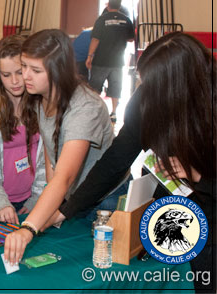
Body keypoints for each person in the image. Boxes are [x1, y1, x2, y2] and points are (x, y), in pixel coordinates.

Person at [27, 32, 215, 292]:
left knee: (203, 275)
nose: (143, 88)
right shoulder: (146, 98)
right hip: (169, 203)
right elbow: (114, 161)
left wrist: (197, 177)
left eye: (151, 83)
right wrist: (66, 209)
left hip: (209, 206)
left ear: (178, 84)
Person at [3, 29, 128, 263]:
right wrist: (49, 208)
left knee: (97, 266)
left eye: (35, 70)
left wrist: (29, 228)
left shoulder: (84, 107)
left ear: (58, 71)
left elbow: (65, 178)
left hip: (106, 200)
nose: (24, 77)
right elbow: (53, 155)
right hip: (75, 200)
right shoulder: (41, 97)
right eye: (24, 66)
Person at [0, 35, 46, 224]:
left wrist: (37, 198)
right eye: (6, 75)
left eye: (19, 72)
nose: (14, 81)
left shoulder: (42, 103)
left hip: (30, 201)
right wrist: (0, 202)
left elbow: (47, 160)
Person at [87, 0, 135, 123]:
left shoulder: (101, 19)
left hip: (101, 61)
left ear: (108, 5)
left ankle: (93, 112)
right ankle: (113, 113)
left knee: (95, 88)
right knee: (115, 88)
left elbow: (95, 39)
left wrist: (89, 56)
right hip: (117, 62)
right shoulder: (127, 20)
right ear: (119, 6)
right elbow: (131, 39)